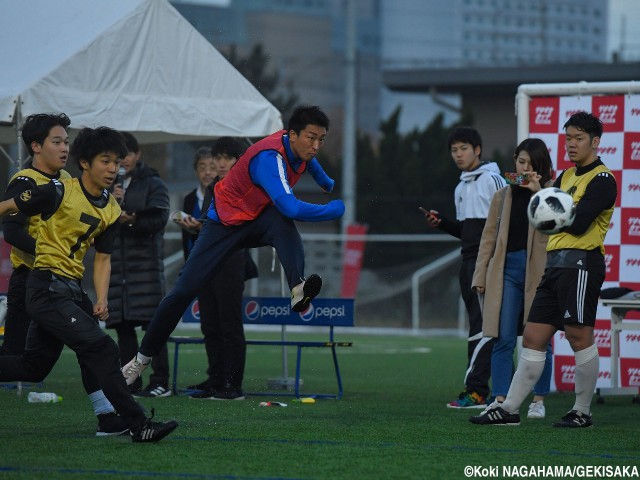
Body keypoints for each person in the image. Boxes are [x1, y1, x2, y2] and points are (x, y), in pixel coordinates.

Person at [121, 105, 345, 384]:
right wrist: (333, 209)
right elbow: (292, 207)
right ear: (292, 134)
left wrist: (325, 180)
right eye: (311, 138)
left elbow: (308, 161)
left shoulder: (298, 148)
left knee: (280, 224)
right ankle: (141, 360)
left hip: (255, 218)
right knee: (182, 292)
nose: (316, 146)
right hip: (224, 223)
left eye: (321, 139)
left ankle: (298, 288)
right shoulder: (269, 159)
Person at [0, 126, 178, 442]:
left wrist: (102, 297)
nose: (113, 169)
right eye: (105, 161)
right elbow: (9, 207)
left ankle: (107, 420)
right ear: (85, 163)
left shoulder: (110, 207)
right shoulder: (57, 191)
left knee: (33, 369)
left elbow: (103, 257)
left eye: (117, 163)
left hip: (70, 289)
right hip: (44, 288)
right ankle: (138, 425)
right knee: (101, 347)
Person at [471, 111, 617, 427]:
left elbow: (576, 225)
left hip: (581, 265)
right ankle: (509, 408)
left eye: (578, 138)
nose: (571, 144)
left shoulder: (603, 180)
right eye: (568, 138)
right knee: (534, 337)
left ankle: (582, 411)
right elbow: (545, 218)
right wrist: (540, 194)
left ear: (595, 142)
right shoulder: (563, 177)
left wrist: (542, 197)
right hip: (553, 266)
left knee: (580, 336)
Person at [0, 113, 127, 436]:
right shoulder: (27, 181)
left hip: (61, 284)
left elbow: (97, 250)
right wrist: (50, 252)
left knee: (85, 348)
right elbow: (12, 231)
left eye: (66, 142)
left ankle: (108, 416)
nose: (64, 148)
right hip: (34, 280)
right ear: (35, 146)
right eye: (56, 142)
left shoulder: (66, 182)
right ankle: (113, 416)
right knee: (25, 362)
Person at [421, 126, 506, 409]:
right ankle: (492, 390)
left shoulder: (493, 179)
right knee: (478, 326)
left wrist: (490, 264)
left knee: (485, 327)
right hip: (468, 262)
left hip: (488, 263)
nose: (458, 155)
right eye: (454, 151)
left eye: (463, 149)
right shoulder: (461, 185)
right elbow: (467, 231)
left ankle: (477, 391)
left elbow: (502, 226)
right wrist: (442, 223)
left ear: (478, 150)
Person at [471, 138, 554, 419]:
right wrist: (480, 274)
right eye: (520, 161)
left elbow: (555, 228)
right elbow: (488, 239)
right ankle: (501, 398)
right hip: (506, 270)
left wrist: (538, 192)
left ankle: (538, 400)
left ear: (541, 166)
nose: (524, 168)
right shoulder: (503, 195)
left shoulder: (551, 193)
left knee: (540, 339)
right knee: (502, 337)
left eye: (531, 164)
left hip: (539, 273)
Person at [177, 141, 258, 400]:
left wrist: (204, 228)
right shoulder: (214, 188)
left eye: (226, 158)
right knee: (210, 324)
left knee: (230, 325)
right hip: (208, 263)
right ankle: (216, 380)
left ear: (239, 160)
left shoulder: (247, 185)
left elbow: (239, 224)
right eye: (218, 158)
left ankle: (233, 386)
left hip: (231, 262)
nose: (221, 164)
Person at [105, 131, 171, 397]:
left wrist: (131, 219)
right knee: (123, 328)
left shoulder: (153, 183)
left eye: (128, 154)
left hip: (145, 269)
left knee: (154, 325)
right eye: (119, 156)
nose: (124, 160)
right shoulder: (106, 185)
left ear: (138, 154)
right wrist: (113, 202)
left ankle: (160, 381)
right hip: (116, 268)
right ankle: (130, 382)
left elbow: (159, 218)